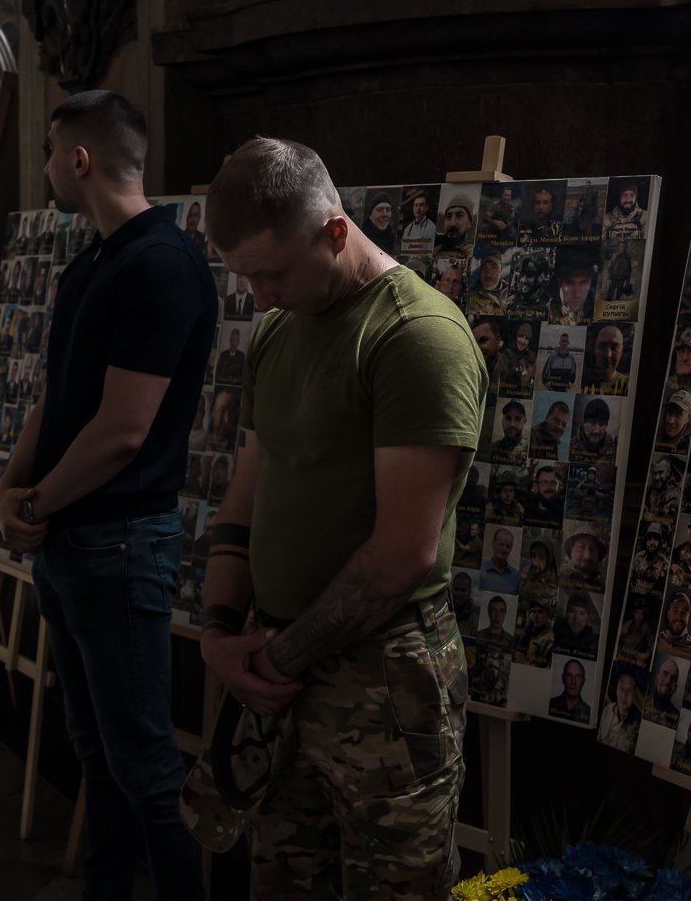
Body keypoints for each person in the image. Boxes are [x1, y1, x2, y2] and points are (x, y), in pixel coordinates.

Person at [199, 136, 487, 898]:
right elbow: (244, 497)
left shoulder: (415, 336)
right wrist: (220, 635)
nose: (258, 295)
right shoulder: (276, 330)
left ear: (334, 231)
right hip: (273, 662)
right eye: (244, 276)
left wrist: (276, 660)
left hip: (383, 676)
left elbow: (401, 555)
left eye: (272, 272)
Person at [0, 92, 212, 897]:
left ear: (79, 159)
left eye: (50, 152)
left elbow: (122, 430)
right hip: (70, 541)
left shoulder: (159, 263)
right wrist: (11, 487)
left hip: (117, 543)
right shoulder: (93, 258)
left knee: (147, 766)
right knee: (95, 749)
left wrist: (37, 504)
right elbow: (60, 395)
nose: (46, 167)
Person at [546, 247, 596, 324]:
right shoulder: (546, 309)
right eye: (570, 283)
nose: (577, 294)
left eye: (583, 283)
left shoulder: (595, 311)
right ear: (559, 283)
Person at [598, 672, 640, 752]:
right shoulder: (606, 710)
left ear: (635, 693)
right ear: (616, 689)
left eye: (629, 691)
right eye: (621, 689)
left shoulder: (639, 724)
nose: (624, 695)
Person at [552, 590, 598, 658]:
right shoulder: (554, 635)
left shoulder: (594, 643)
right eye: (572, 611)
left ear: (587, 617)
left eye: (582, 613)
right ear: (566, 613)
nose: (576, 619)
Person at [569, 397, 615, 463]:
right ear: (584, 423)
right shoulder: (569, 447)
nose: (597, 431)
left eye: (602, 424)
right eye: (592, 423)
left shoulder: (615, 448)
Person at [547, 658, 590, 723]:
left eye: (578, 676)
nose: (573, 681)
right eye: (569, 675)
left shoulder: (589, 713)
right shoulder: (550, 705)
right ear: (563, 678)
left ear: (583, 681)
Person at [479, 526, 520, 592]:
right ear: (493, 544)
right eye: (501, 544)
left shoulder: (516, 577)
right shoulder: (480, 571)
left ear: (511, 549)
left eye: (508, 546)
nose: (504, 549)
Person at [513, 598, 553, 666]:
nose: (536, 616)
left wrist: (523, 662)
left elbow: (546, 667)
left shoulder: (549, 639)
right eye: (533, 612)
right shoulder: (532, 633)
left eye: (540, 612)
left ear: (548, 615)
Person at [643, 455, 682, 519]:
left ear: (668, 472)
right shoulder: (649, 488)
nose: (657, 477)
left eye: (661, 472)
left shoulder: (676, 491)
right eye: (654, 473)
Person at [654, 389, 691, 454]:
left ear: (688, 417)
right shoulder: (659, 433)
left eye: (678, 414)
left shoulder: (690, 446)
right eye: (670, 412)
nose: (671, 421)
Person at [489, 399, 527, 463]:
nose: (512, 424)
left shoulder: (529, 449)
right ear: (502, 421)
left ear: (524, 422)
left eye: (517, 419)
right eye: (508, 418)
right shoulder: (492, 448)